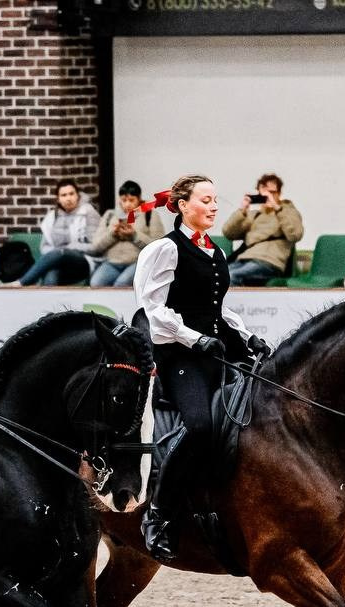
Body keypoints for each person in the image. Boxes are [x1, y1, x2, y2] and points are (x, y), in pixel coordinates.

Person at [135, 174, 271, 561]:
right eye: (206, 201)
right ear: (182, 206)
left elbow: (218, 309)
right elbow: (154, 310)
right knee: (201, 425)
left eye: (215, 201)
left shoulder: (216, 251)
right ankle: (158, 514)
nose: (214, 207)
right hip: (178, 357)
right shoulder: (164, 250)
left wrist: (247, 337)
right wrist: (193, 338)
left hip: (216, 350)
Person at [11, 179, 100, 286]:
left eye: (71, 194)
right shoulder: (52, 216)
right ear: (58, 199)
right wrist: (57, 253)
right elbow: (44, 248)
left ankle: (22, 282)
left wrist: (71, 248)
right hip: (58, 262)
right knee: (51, 273)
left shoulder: (88, 212)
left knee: (61, 252)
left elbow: (96, 247)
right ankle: (49, 301)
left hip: (84, 262)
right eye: (64, 195)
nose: (68, 198)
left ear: (78, 196)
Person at [220, 172, 304, 285]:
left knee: (232, 276)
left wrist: (277, 208)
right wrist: (242, 211)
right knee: (217, 275)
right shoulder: (255, 215)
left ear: (279, 193)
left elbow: (295, 234)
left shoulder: (288, 212)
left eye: (272, 192)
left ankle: (231, 303)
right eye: (265, 193)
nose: (269, 196)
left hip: (269, 262)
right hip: (244, 259)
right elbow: (228, 233)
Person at [88, 180, 165, 287]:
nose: (127, 204)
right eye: (124, 200)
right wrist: (113, 235)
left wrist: (134, 236)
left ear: (139, 199)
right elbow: (96, 247)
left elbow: (158, 248)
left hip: (137, 263)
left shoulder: (150, 215)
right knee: (96, 283)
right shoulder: (110, 215)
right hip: (112, 262)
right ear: (119, 200)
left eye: (131, 200)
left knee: (121, 284)